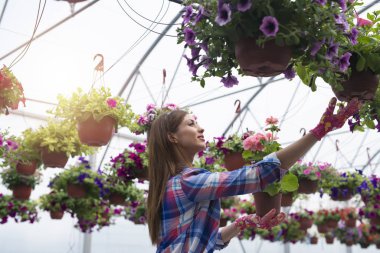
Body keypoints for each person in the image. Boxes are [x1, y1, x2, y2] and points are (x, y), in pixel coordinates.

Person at [146, 97, 359, 252]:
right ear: (172, 137)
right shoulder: (188, 183)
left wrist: (244, 222)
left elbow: (207, 243)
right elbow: (260, 175)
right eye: (191, 124)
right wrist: (318, 132)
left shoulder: (176, 183)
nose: (201, 128)